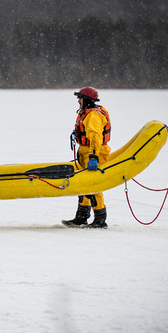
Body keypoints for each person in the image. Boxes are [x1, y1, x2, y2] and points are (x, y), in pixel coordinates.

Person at [62, 87, 110, 229]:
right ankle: (81, 217)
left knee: (94, 186)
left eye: (80, 98)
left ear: (87, 100)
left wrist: (93, 157)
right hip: (85, 152)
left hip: (94, 153)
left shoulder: (93, 116)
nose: (78, 101)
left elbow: (95, 137)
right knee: (83, 185)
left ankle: (100, 220)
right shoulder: (88, 114)